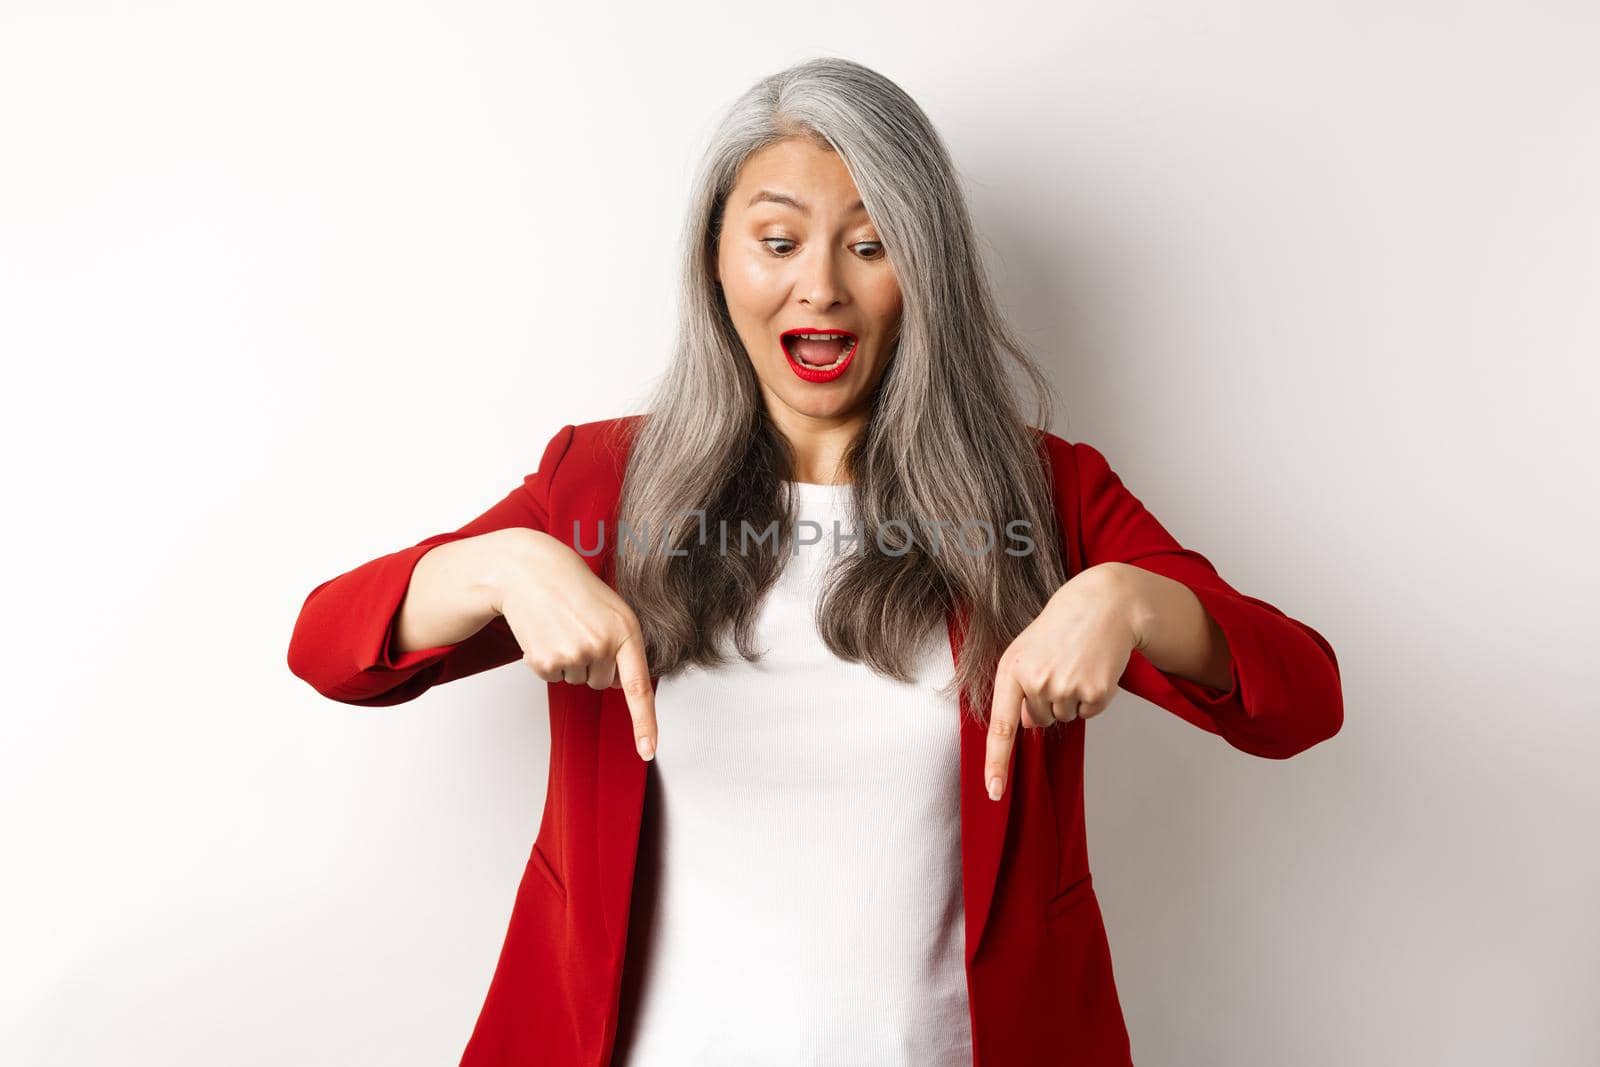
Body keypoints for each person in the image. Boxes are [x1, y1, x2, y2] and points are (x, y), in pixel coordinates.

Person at [287, 56, 1343, 1067]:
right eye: (778, 241)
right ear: (716, 259)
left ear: (924, 271)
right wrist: (498, 567)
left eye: (871, 245)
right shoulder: (601, 485)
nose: (820, 288)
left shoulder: (1043, 495)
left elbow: (1301, 699)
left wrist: (1133, 599)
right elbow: (328, 648)